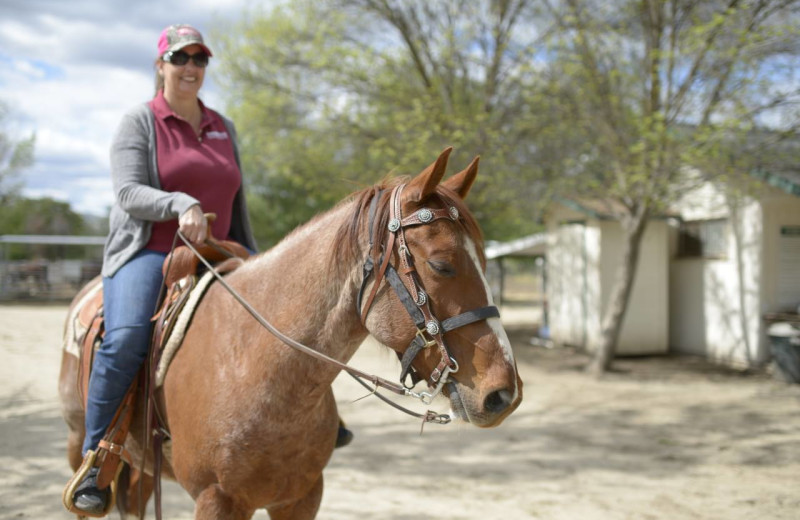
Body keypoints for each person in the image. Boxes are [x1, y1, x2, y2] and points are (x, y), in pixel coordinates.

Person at [68, 24, 352, 516]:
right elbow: (127, 193)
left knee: (294, 317)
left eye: (200, 59)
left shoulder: (222, 125)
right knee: (126, 338)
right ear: (161, 66)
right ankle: (99, 457)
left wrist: (260, 259)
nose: (191, 68)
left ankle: (320, 422)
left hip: (221, 250)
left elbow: (238, 197)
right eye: (181, 58)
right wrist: (181, 202)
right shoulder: (140, 121)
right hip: (149, 252)